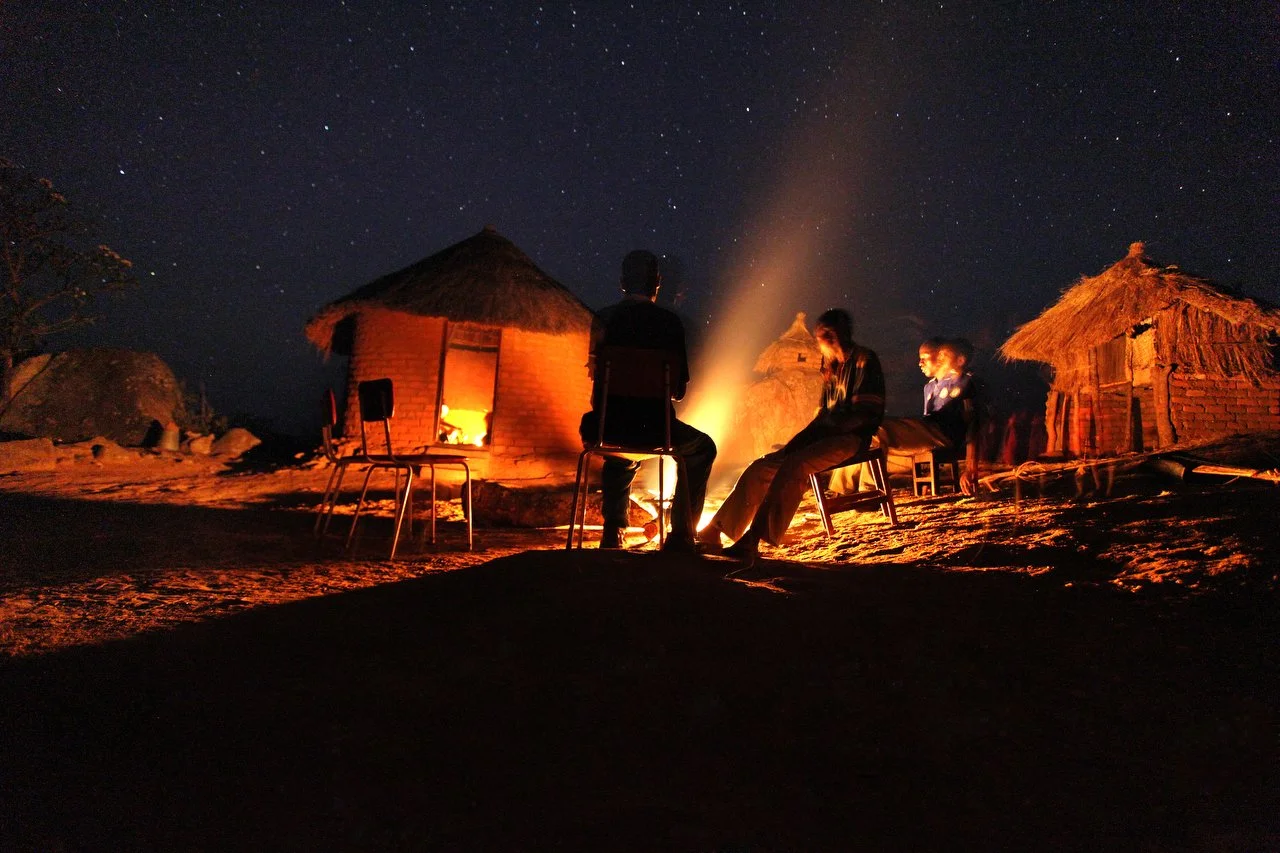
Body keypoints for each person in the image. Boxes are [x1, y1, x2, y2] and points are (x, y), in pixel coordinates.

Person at [698, 308, 885, 566]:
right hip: (823, 437)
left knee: (795, 465)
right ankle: (716, 530)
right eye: (824, 335)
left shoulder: (864, 360)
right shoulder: (831, 368)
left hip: (850, 438)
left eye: (832, 334)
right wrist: (802, 439)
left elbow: (864, 414)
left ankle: (754, 539)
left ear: (844, 333)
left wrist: (820, 436)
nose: (829, 340)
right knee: (761, 466)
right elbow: (822, 416)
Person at [579, 250, 717, 551]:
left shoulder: (603, 319)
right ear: (657, 284)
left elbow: (596, 380)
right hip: (654, 430)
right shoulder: (669, 324)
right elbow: (678, 390)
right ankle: (681, 535)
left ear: (621, 283)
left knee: (616, 442)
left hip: (606, 427)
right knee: (703, 449)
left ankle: (613, 531)